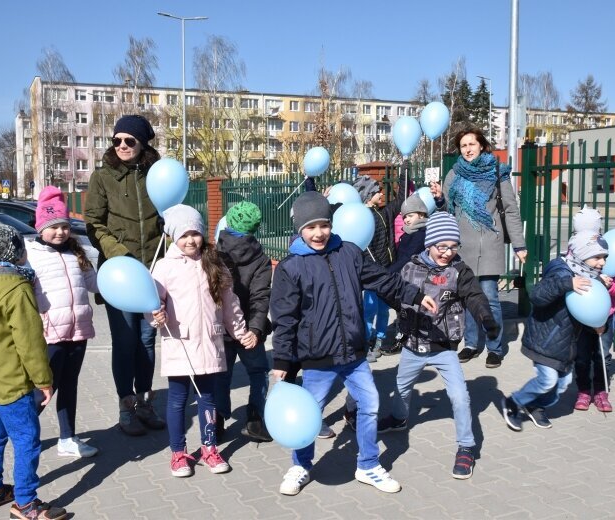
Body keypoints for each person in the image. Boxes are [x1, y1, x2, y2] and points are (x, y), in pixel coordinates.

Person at [269, 191, 438, 496]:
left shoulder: (348, 252)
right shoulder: (290, 267)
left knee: (370, 403)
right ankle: (301, 465)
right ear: (299, 229)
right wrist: (282, 361)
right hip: (318, 358)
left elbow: (383, 279)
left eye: (323, 225)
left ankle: (368, 464)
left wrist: (413, 295)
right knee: (310, 414)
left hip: (354, 354)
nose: (318, 233)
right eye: (311, 227)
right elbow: (284, 318)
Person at [378, 212, 499, 479]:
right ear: (429, 244)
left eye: (453, 246)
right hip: (412, 344)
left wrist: (485, 318)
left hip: (443, 348)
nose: (447, 252)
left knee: (459, 397)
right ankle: (399, 419)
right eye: (441, 246)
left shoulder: (459, 271)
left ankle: (466, 446)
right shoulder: (409, 267)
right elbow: (390, 290)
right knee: (401, 389)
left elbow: (475, 296)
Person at [0, 223, 68, 519]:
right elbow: (30, 341)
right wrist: (44, 380)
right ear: (14, 252)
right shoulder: (16, 288)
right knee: (26, 439)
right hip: (10, 380)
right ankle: (27, 504)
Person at [149, 204, 257, 478]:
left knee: (208, 398)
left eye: (195, 234)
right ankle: (178, 453)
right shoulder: (164, 267)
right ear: (173, 236)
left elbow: (230, 304)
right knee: (177, 400)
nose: (190, 241)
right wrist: (156, 316)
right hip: (179, 344)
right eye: (183, 235)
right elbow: (152, 303)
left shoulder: (215, 263)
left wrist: (240, 331)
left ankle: (209, 448)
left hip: (210, 342)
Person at [84, 114, 166, 436]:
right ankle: (126, 406)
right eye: (116, 140)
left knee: (147, 340)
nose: (121, 145)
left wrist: (170, 247)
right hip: (119, 274)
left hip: (152, 271)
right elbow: (93, 223)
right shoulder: (102, 177)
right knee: (125, 340)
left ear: (142, 143)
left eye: (128, 140)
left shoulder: (156, 176)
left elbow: (168, 219)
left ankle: (145, 402)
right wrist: (118, 254)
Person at [433, 126, 527, 369]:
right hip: (463, 246)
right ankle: (472, 344)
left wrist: (519, 244)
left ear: (482, 145)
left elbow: (511, 210)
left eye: (471, 144)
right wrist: (439, 200)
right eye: (463, 146)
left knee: (490, 297)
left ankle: (494, 348)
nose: (467, 150)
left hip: (490, 243)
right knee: (466, 299)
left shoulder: (498, 172)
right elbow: (447, 212)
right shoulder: (454, 173)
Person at [501, 230, 608, 431]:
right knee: (547, 380)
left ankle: (534, 404)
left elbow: (589, 309)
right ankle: (514, 402)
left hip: (565, 345)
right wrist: (566, 284)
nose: (602, 263)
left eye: (604, 258)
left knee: (563, 383)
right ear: (582, 255)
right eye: (597, 257)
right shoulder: (561, 272)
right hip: (545, 340)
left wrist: (600, 324)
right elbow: (538, 295)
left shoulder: (591, 278)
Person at [27, 186, 99, 458]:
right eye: (53, 226)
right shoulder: (31, 256)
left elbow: (94, 284)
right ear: (40, 227)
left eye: (64, 226)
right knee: (44, 390)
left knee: (70, 385)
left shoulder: (76, 254)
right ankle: (25, 435)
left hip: (78, 331)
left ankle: (68, 439)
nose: (60, 232)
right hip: (49, 335)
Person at [215, 201, 273, 442]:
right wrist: (256, 329)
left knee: (221, 375)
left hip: (220, 328)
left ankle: (216, 422)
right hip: (249, 328)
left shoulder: (214, 254)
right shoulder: (260, 258)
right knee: (259, 372)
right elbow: (261, 296)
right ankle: (255, 420)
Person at [571, 206, 615, 413]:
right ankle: (584, 391)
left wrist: (609, 285)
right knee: (582, 355)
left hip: (607, 314)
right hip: (581, 314)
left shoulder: (606, 252)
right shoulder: (575, 250)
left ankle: (601, 392)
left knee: (602, 354)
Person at [353, 173, 407, 361]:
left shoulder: (384, 212)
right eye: (378, 191)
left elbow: (401, 201)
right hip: (371, 273)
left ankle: (380, 339)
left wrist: (403, 173)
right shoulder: (360, 217)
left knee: (384, 309)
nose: (382, 194)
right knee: (369, 310)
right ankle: (367, 342)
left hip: (387, 271)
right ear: (368, 195)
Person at [380, 192, 431, 356]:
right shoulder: (409, 234)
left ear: (421, 214)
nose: (406, 219)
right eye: (404, 217)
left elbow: (408, 257)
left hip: (416, 279)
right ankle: (405, 336)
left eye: (410, 215)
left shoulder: (421, 234)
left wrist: (389, 274)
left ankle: (407, 338)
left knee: (406, 306)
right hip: (405, 276)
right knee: (402, 308)